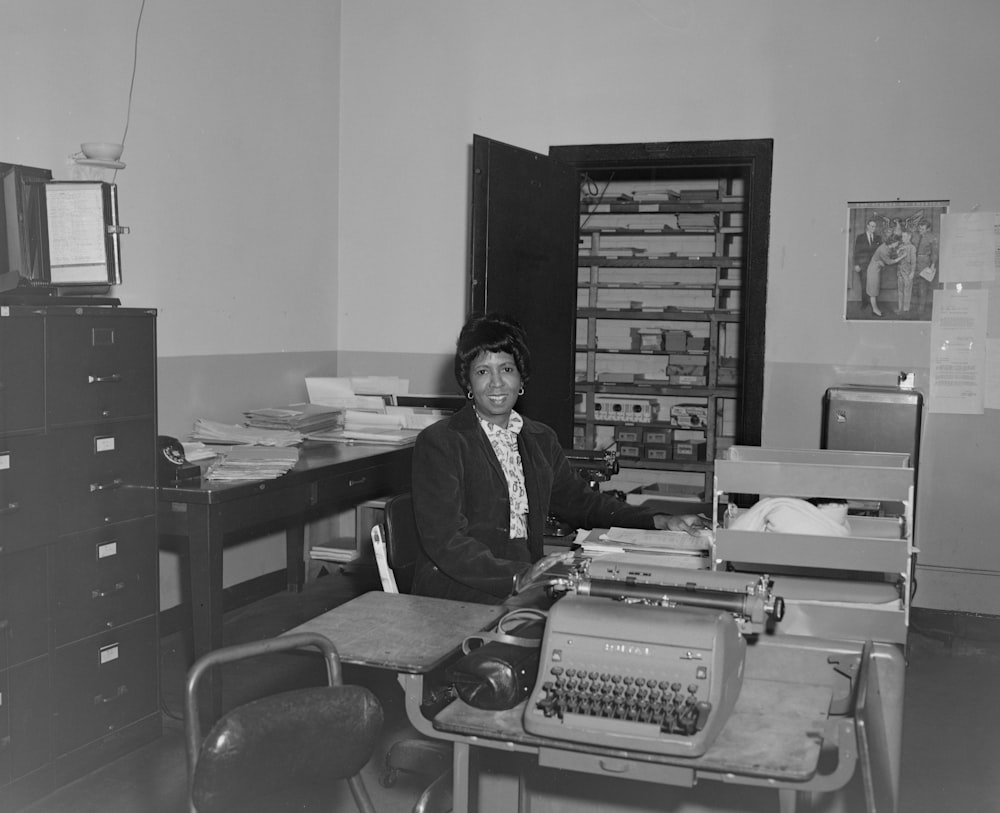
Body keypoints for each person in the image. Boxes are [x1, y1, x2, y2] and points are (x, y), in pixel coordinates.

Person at [410, 312, 707, 604]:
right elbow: (447, 542)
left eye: (507, 369)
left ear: (521, 377)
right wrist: (518, 577)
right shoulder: (441, 442)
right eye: (483, 371)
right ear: (469, 383)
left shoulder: (539, 438)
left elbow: (583, 503)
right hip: (457, 589)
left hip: (525, 580)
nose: (497, 383)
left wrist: (658, 521)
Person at [865, 235, 903, 317]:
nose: (898, 244)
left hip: (875, 269)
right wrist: (902, 257)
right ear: (892, 243)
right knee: (873, 291)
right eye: (897, 243)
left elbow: (887, 256)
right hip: (873, 271)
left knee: (874, 290)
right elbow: (889, 262)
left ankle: (875, 309)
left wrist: (898, 251)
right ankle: (875, 310)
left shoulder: (886, 246)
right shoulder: (883, 249)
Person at [912, 220, 939, 317]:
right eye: (919, 228)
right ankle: (914, 307)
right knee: (914, 287)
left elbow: (934, 253)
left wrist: (932, 265)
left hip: (925, 265)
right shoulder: (915, 236)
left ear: (928, 229)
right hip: (914, 264)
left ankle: (921, 309)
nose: (920, 230)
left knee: (922, 288)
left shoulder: (932, 238)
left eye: (923, 229)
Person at [852, 218, 881, 301]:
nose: (873, 228)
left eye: (874, 226)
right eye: (872, 226)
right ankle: (864, 303)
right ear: (867, 226)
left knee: (874, 284)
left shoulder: (878, 238)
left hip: (874, 266)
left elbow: (880, 252)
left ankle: (874, 304)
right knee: (864, 284)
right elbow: (856, 251)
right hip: (863, 265)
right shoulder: (860, 237)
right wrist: (856, 264)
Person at [895, 229, 917, 315]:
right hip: (900, 271)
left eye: (904, 236)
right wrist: (898, 251)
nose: (902, 238)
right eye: (902, 236)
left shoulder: (912, 248)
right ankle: (900, 308)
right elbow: (896, 259)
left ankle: (906, 309)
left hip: (908, 272)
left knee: (907, 291)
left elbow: (913, 262)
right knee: (900, 291)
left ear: (909, 237)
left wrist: (912, 272)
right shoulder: (900, 246)